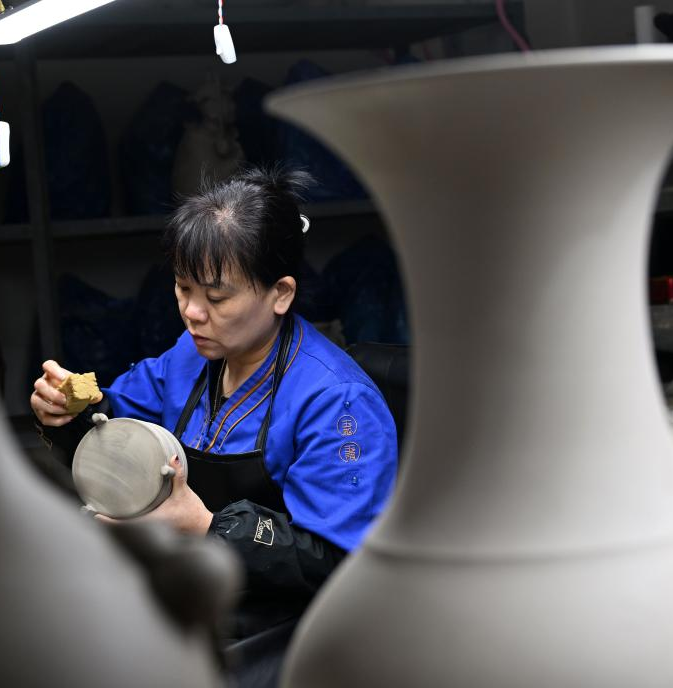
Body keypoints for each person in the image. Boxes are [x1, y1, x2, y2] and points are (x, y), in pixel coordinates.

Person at [30, 167, 399, 686]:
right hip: (199, 600)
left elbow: (340, 563)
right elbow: (114, 424)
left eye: (216, 298)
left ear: (281, 293)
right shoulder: (192, 356)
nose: (192, 313)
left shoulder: (337, 402)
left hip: (287, 631)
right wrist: (66, 415)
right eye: (182, 288)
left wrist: (206, 525)